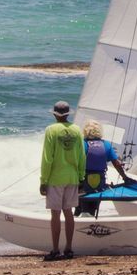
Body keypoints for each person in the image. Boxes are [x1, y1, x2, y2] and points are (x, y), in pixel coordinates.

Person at [39, 100, 85, 260]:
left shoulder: (51, 130)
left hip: (55, 178)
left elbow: (47, 158)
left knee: (55, 214)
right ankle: (69, 248)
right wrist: (81, 177)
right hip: (72, 177)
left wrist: (43, 180)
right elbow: (81, 156)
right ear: (67, 114)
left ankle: (55, 248)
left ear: (54, 114)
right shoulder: (76, 130)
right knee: (69, 213)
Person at [82, 120, 128, 191]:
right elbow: (116, 164)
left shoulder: (82, 144)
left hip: (83, 182)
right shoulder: (107, 145)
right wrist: (125, 177)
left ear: (85, 131)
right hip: (100, 182)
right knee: (95, 200)